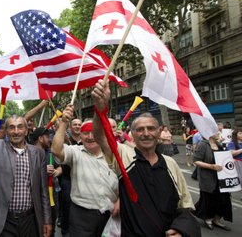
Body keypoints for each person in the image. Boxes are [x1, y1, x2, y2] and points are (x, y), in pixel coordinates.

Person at [92, 79, 200, 236]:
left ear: (158, 133)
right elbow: (101, 137)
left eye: (151, 128)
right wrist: (100, 110)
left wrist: (181, 230)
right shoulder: (124, 156)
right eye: (140, 129)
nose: (146, 133)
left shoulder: (171, 164)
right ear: (132, 135)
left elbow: (184, 205)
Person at [0, 106, 52, 237]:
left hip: (29, 220)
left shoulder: (38, 153)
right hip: (4, 221)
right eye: (12, 127)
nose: (16, 131)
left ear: (26, 131)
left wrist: (47, 220)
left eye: (20, 127)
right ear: (7, 131)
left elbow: (43, 191)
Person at [52, 108, 119, 237]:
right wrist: (64, 124)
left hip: (111, 214)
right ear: (80, 135)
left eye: (94, 133)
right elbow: (56, 149)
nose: (90, 137)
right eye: (86, 133)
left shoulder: (116, 152)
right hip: (81, 216)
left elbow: (128, 179)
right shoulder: (75, 152)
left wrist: (120, 201)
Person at [193, 134, 232, 231]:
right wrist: (211, 166)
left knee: (224, 200)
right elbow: (196, 161)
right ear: (210, 133)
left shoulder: (218, 144)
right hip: (208, 178)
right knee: (211, 199)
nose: (219, 133)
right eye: (216, 132)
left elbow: (224, 158)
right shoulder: (203, 144)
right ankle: (208, 219)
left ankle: (216, 219)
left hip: (221, 178)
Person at [33, 127, 62, 235]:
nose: (49, 139)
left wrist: (57, 171)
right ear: (40, 138)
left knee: (51, 225)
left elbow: (60, 167)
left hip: (52, 196)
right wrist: (42, 170)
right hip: (37, 197)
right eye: (47, 137)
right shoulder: (30, 153)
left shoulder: (50, 153)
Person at [226, 129, 242, 197]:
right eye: (240, 133)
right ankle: (228, 192)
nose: (241, 135)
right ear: (235, 135)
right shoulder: (232, 143)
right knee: (237, 179)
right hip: (237, 162)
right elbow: (231, 153)